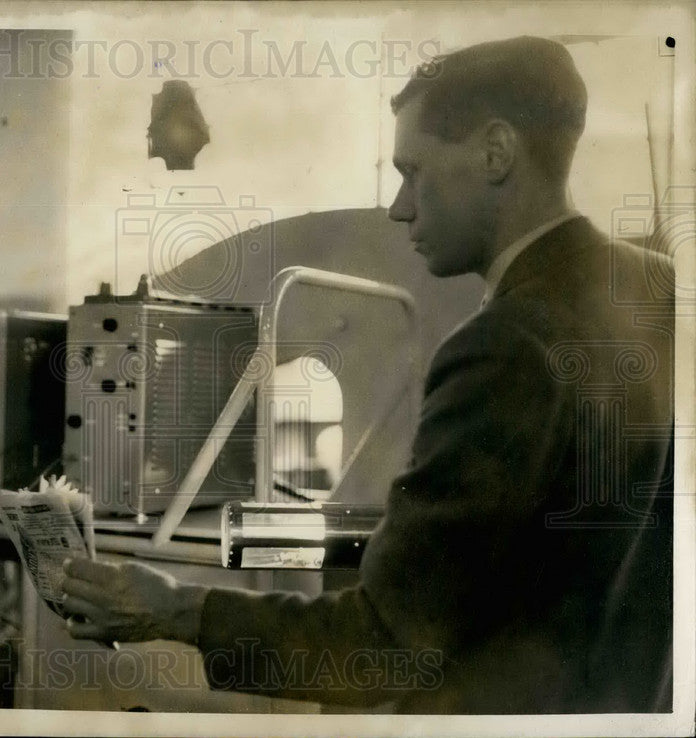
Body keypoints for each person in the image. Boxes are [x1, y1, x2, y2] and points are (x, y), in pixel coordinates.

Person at [60, 36, 675, 713]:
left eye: (414, 172)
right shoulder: (659, 289)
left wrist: (175, 610)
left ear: (497, 153)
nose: (399, 207)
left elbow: (384, 645)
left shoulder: (504, 346)